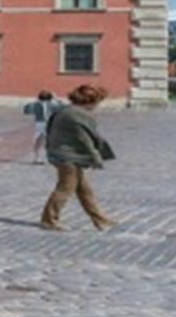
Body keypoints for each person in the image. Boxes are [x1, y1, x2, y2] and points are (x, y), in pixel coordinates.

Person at [41, 83, 119, 232]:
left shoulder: (65, 110)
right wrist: (96, 158)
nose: (97, 105)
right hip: (68, 157)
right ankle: (49, 219)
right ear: (90, 100)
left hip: (62, 155)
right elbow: (85, 139)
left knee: (85, 190)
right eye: (98, 101)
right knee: (65, 189)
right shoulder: (79, 115)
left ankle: (100, 219)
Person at [28, 90, 61, 164]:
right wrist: (56, 99)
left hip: (39, 123)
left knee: (38, 140)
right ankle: (53, 156)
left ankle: (37, 157)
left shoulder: (36, 104)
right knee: (51, 140)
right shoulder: (51, 104)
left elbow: (27, 110)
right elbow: (61, 108)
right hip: (49, 123)